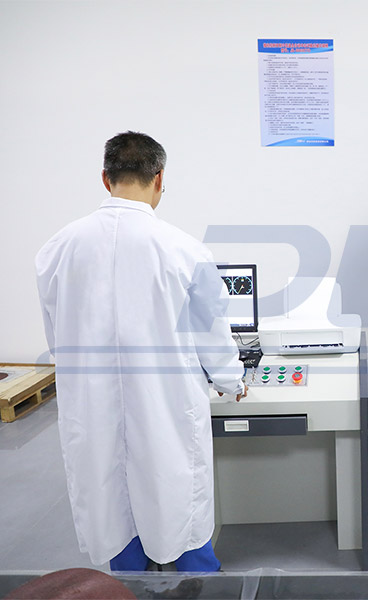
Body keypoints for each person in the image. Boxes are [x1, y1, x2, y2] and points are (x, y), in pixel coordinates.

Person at [35, 131, 247, 572]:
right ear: (159, 178)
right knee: (176, 490)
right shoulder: (183, 248)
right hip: (165, 402)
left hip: (90, 402)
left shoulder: (57, 248)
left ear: (105, 178)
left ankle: (128, 582)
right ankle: (197, 578)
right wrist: (231, 380)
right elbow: (211, 331)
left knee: (108, 495)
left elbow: (57, 338)